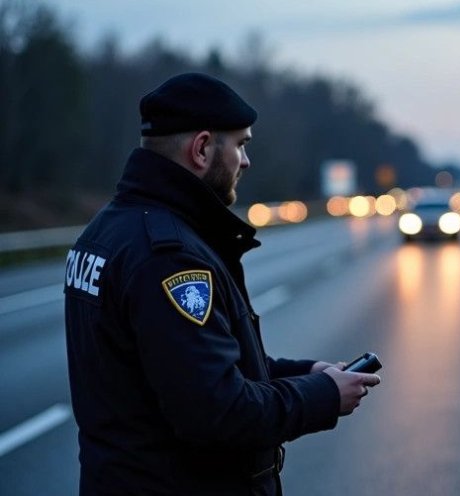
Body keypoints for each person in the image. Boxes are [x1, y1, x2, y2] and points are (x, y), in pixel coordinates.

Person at [63, 73, 381, 495]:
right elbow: (218, 411)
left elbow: (195, 368)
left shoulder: (107, 230)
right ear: (202, 148)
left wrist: (308, 373)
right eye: (241, 145)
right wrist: (321, 397)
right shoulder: (169, 256)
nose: (246, 161)